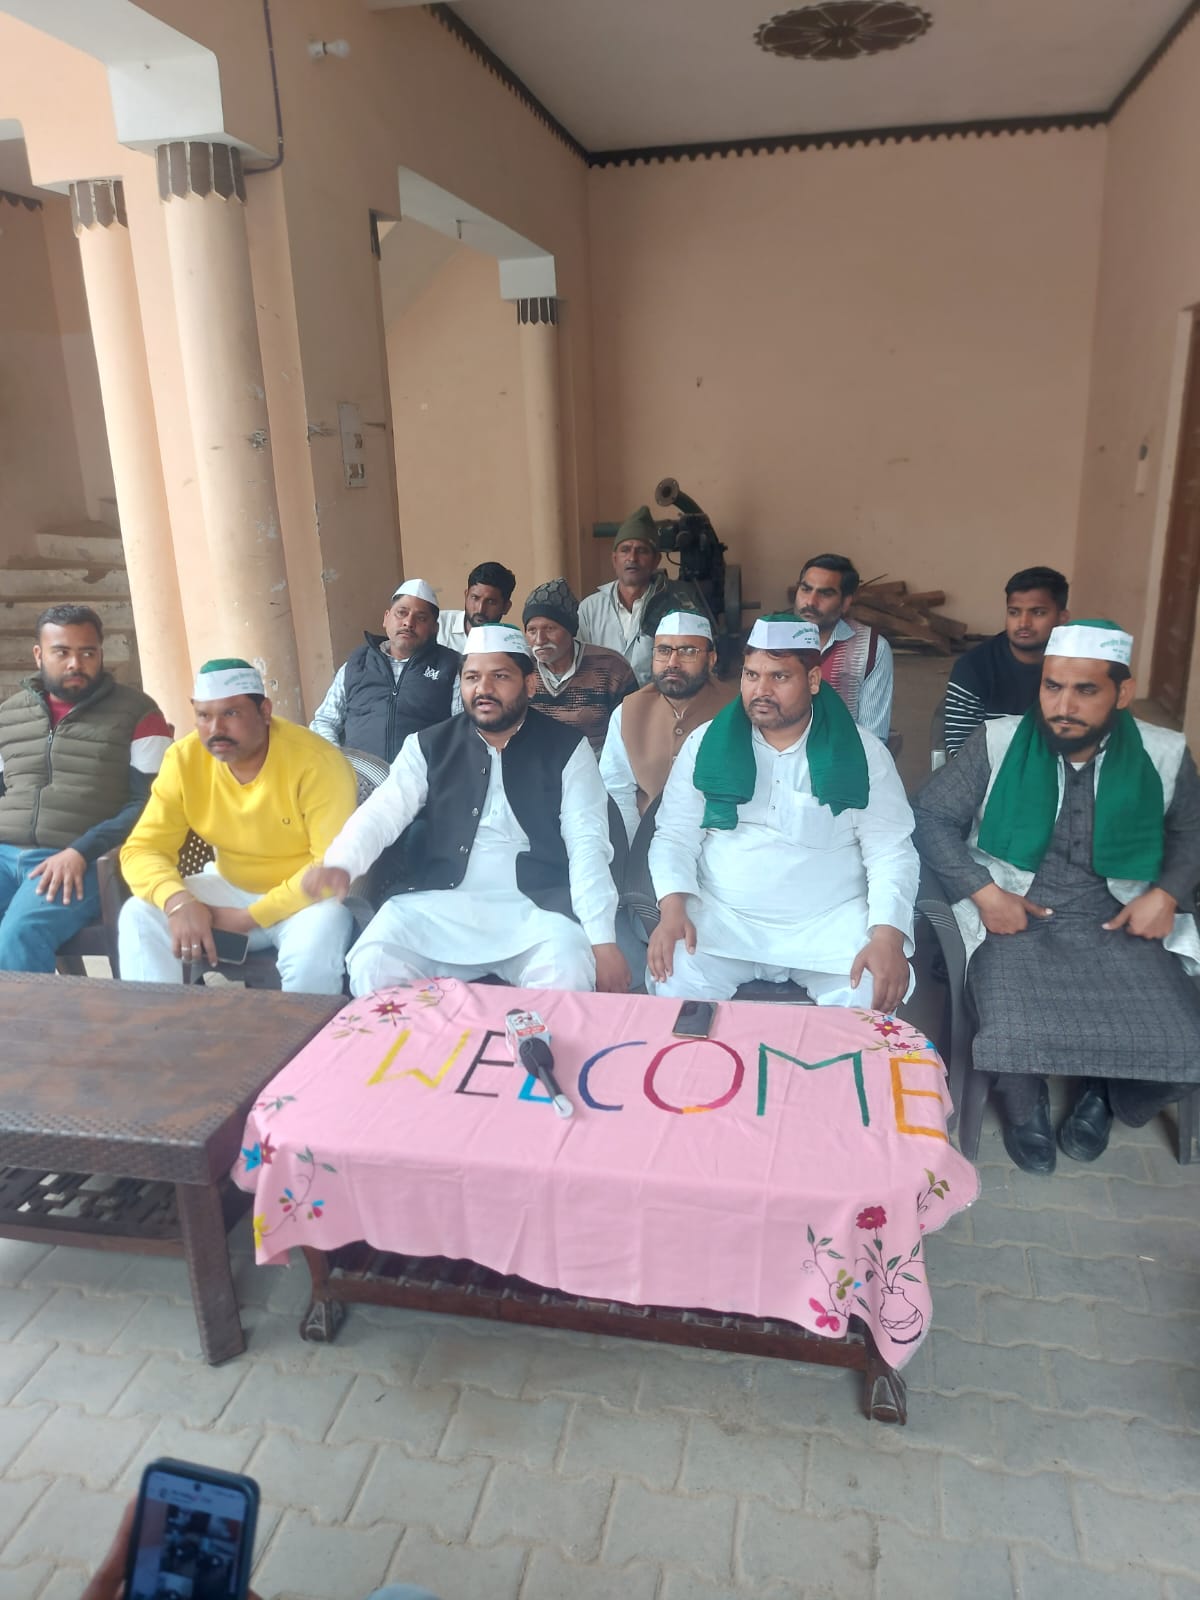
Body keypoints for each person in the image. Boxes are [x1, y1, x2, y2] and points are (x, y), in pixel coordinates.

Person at [913, 619, 1200, 1174]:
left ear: (1122, 692)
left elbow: (1191, 831)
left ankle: (1109, 1094)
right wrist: (984, 892)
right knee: (1011, 1028)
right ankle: (1026, 1106)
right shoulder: (998, 742)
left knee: (1186, 1043)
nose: (1063, 705)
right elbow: (929, 816)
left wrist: (1166, 893)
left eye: (1085, 690)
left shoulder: (1163, 753)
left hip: (1120, 920)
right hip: (1016, 917)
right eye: (1052, 686)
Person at [303, 625, 631, 997]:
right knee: (374, 959)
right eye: (472, 677)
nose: (483, 689)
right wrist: (341, 863)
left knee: (568, 968)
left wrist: (602, 939)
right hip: (442, 903)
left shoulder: (568, 748)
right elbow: (382, 813)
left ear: (529, 685)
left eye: (500, 676)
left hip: (536, 910)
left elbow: (587, 843)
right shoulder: (427, 745)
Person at [647, 615, 919, 1007]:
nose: (761, 690)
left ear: (813, 680)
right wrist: (672, 909)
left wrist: (887, 936)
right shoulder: (705, 744)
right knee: (673, 976)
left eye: (779, 677)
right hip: (724, 920)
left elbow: (891, 850)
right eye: (751, 675)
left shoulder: (863, 753)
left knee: (870, 991)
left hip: (828, 925)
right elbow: (675, 835)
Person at [118, 659, 358, 993]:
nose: (215, 728)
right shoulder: (183, 759)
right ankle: (160, 1024)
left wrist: (251, 917)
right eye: (203, 715)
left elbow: (330, 867)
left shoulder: (317, 762)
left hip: (306, 900)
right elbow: (142, 849)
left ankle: (306, 1028)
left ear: (265, 712)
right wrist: (177, 901)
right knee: (140, 913)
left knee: (316, 946)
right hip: (228, 886)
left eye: (231, 713)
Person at [0, 604, 171, 973]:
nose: (75, 663)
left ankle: (32, 1015)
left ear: (101, 654)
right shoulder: (9, 716)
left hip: (84, 859)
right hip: (4, 855)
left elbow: (153, 803)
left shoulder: (139, 713)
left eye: (87, 653)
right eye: (61, 652)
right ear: (38, 655)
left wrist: (81, 850)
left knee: (18, 935)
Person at [600, 609, 735, 844]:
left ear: (711, 659)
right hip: (647, 838)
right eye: (663, 651)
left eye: (688, 652)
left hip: (722, 843)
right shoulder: (629, 712)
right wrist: (634, 850)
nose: (673, 663)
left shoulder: (737, 710)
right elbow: (617, 791)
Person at [310, 578, 460, 761]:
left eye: (421, 618)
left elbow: (464, 729)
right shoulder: (356, 664)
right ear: (386, 618)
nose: (408, 623)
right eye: (401, 613)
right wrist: (338, 763)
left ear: (434, 628)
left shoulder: (451, 667)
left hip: (425, 776)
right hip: (357, 775)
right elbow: (324, 721)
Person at [943, 566, 1070, 754]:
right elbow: (961, 751)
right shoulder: (973, 667)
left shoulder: (1079, 667)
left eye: (1038, 612)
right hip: (992, 770)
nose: (1023, 623)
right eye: (1014, 612)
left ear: (1062, 618)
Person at [524, 579, 638, 754]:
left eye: (550, 629)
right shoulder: (521, 668)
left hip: (598, 766)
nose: (540, 640)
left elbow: (633, 732)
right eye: (532, 630)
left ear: (570, 630)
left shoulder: (612, 667)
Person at [793, 554, 893, 742]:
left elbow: (873, 738)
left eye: (825, 594)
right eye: (806, 589)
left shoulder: (872, 649)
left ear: (845, 603)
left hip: (841, 753)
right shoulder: (771, 638)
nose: (811, 602)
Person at [577, 506, 669, 685]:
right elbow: (578, 666)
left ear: (656, 560)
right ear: (614, 559)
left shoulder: (670, 605)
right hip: (602, 701)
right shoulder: (590, 608)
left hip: (655, 701)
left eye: (642, 550)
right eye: (625, 550)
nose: (632, 558)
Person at [435, 560, 517, 653]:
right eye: (475, 598)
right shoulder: (438, 624)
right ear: (466, 595)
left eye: (490, 602)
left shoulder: (511, 646)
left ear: (506, 607)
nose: (480, 609)